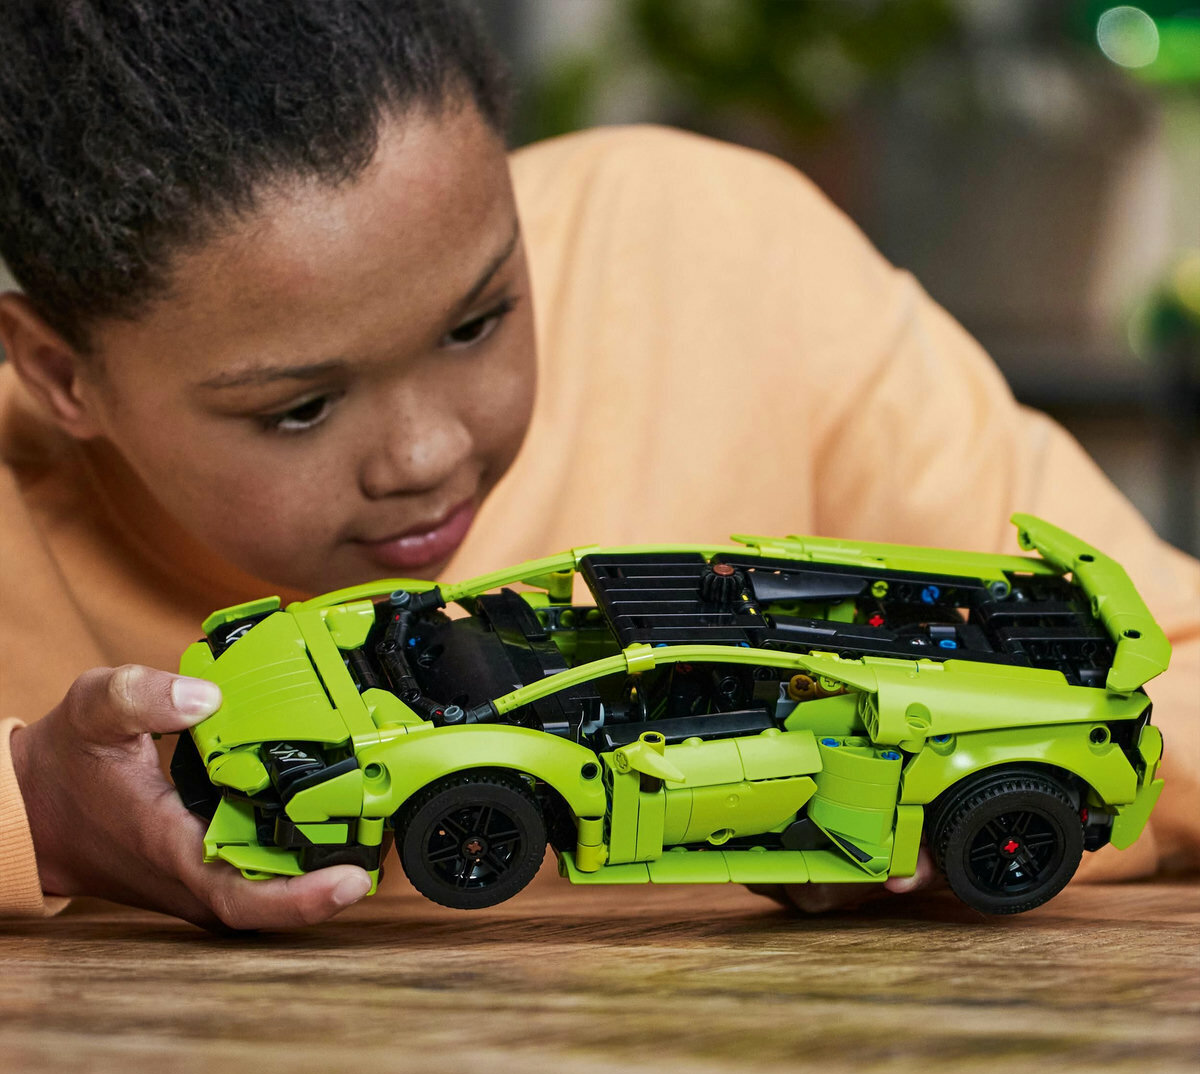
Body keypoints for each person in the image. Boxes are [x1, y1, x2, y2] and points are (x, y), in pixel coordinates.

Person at [0, 0, 1196, 930]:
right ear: (60, 373)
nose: (429, 453)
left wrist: (968, 840)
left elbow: (1176, 670)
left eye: (479, 322)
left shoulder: (715, 248)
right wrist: (33, 812)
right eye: (300, 408)